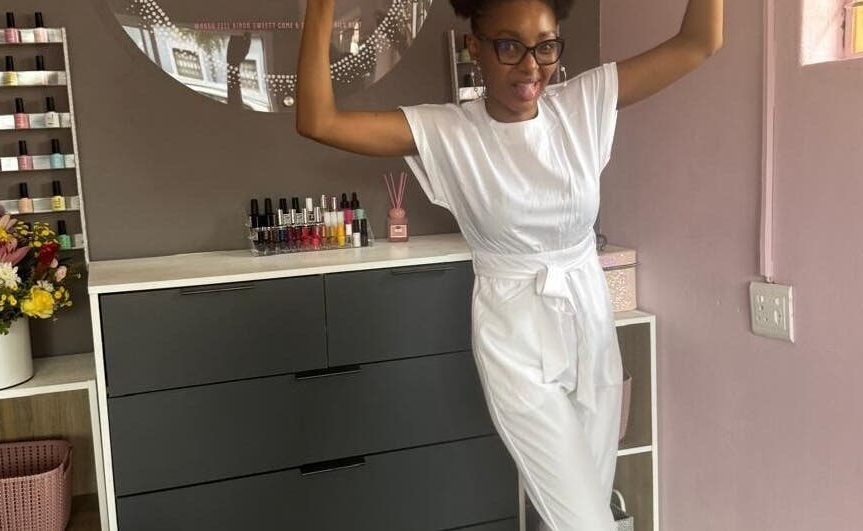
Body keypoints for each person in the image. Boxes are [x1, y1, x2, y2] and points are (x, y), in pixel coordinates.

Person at [296, 0, 722, 529]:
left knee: (588, 503)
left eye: (546, 46)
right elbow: (318, 119)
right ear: (474, 47)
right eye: (509, 46)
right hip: (514, 338)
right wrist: (321, 6)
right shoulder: (447, 132)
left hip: (590, 323)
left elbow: (699, 42)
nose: (530, 66)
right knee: (585, 522)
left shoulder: (583, 103)